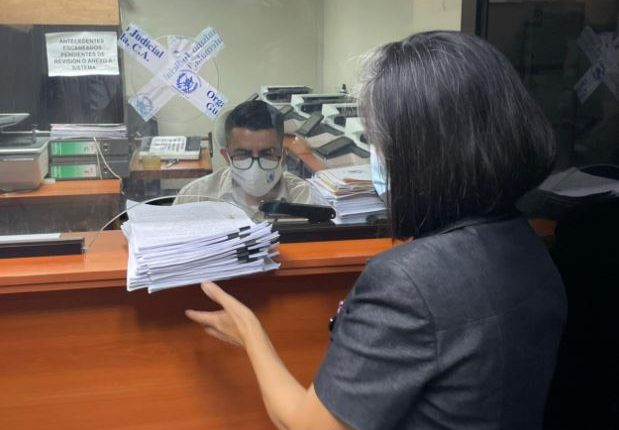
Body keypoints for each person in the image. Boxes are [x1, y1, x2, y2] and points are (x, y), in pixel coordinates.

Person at [185, 31, 567, 430]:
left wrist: (249, 332)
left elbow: (307, 425)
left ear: (422, 153)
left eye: (376, 140)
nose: (374, 157)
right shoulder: (528, 242)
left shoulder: (408, 283)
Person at [174, 100, 315, 218]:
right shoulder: (194, 198)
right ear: (226, 156)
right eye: (243, 154)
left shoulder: (306, 200)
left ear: (283, 157)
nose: (255, 168)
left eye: (267, 154)